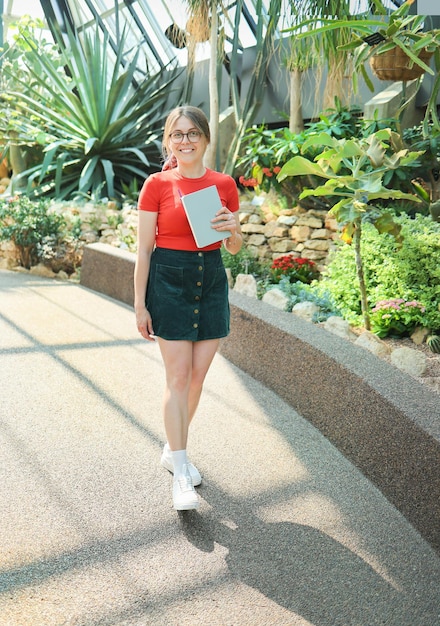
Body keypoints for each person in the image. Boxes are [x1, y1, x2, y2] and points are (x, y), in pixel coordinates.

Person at [134, 105, 243, 511]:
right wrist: (140, 305)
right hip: (168, 280)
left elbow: (231, 247)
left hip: (210, 279)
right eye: (177, 134)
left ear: (206, 139)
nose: (185, 141)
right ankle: (181, 473)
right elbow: (144, 250)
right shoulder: (157, 185)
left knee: (197, 378)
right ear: (168, 140)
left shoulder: (224, 184)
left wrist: (235, 230)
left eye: (193, 133)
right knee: (177, 377)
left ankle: (172, 449)